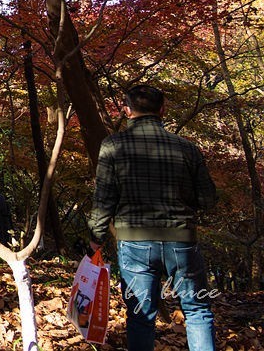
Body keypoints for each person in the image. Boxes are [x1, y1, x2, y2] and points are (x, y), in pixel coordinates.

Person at [88, 84, 218, 351]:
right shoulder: (187, 149)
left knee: (140, 315)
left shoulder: (113, 146)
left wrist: (96, 238)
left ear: (126, 110)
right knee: (197, 310)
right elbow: (208, 199)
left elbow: (104, 198)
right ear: (162, 109)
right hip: (181, 240)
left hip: (134, 242)